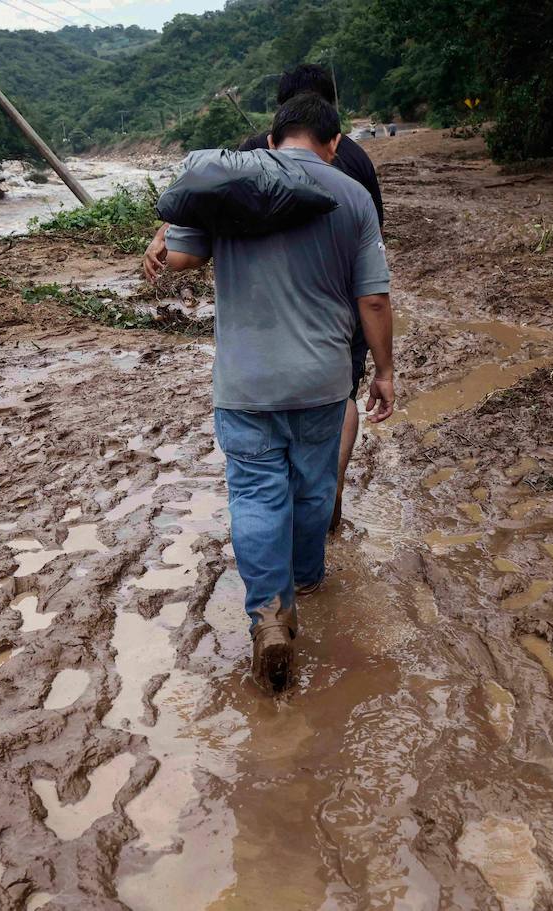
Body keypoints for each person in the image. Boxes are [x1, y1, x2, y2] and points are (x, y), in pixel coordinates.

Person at [154, 94, 395, 691]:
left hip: (246, 383)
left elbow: (181, 256)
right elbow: (374, 299)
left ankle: (268, 613)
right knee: (313, 486)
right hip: (321, 379)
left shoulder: (230, 189)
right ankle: (308, 577)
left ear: (271, 139)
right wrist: (385, 371)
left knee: (257, 496)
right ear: (333, 143)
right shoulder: (353, 196)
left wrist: (159, 242)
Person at [146, 63, 385, 531]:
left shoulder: (252, 155)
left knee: (258, 476)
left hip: (256, 330)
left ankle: (275, 541)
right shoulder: (355, 162)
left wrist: (164, 230)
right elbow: (373, 250)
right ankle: (326, 498)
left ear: (280, 115)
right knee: (342, 397)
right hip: (336, 314)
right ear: (331, 118)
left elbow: (200, 204)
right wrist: (387, 366)